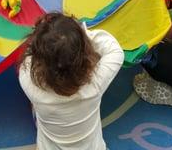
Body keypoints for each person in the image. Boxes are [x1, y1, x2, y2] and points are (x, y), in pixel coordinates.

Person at [19, 12, 124, 149]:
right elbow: (115, 50)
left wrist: (43, 43)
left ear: (39, 61)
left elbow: (28, 58)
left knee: (36, 108)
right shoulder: (95, 84)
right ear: (84, 53)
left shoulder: (28, 81)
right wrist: (84, 35)